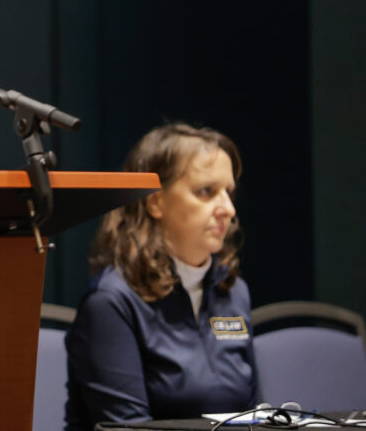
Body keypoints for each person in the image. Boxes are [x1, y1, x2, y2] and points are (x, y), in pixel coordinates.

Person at [64, 123, 258, 429]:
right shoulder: (112, 302)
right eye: (206, 191)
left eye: (229, 192)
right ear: (155, 200)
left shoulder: (233, 291)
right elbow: (129, 428)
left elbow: (251, 417)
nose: (228, 209)